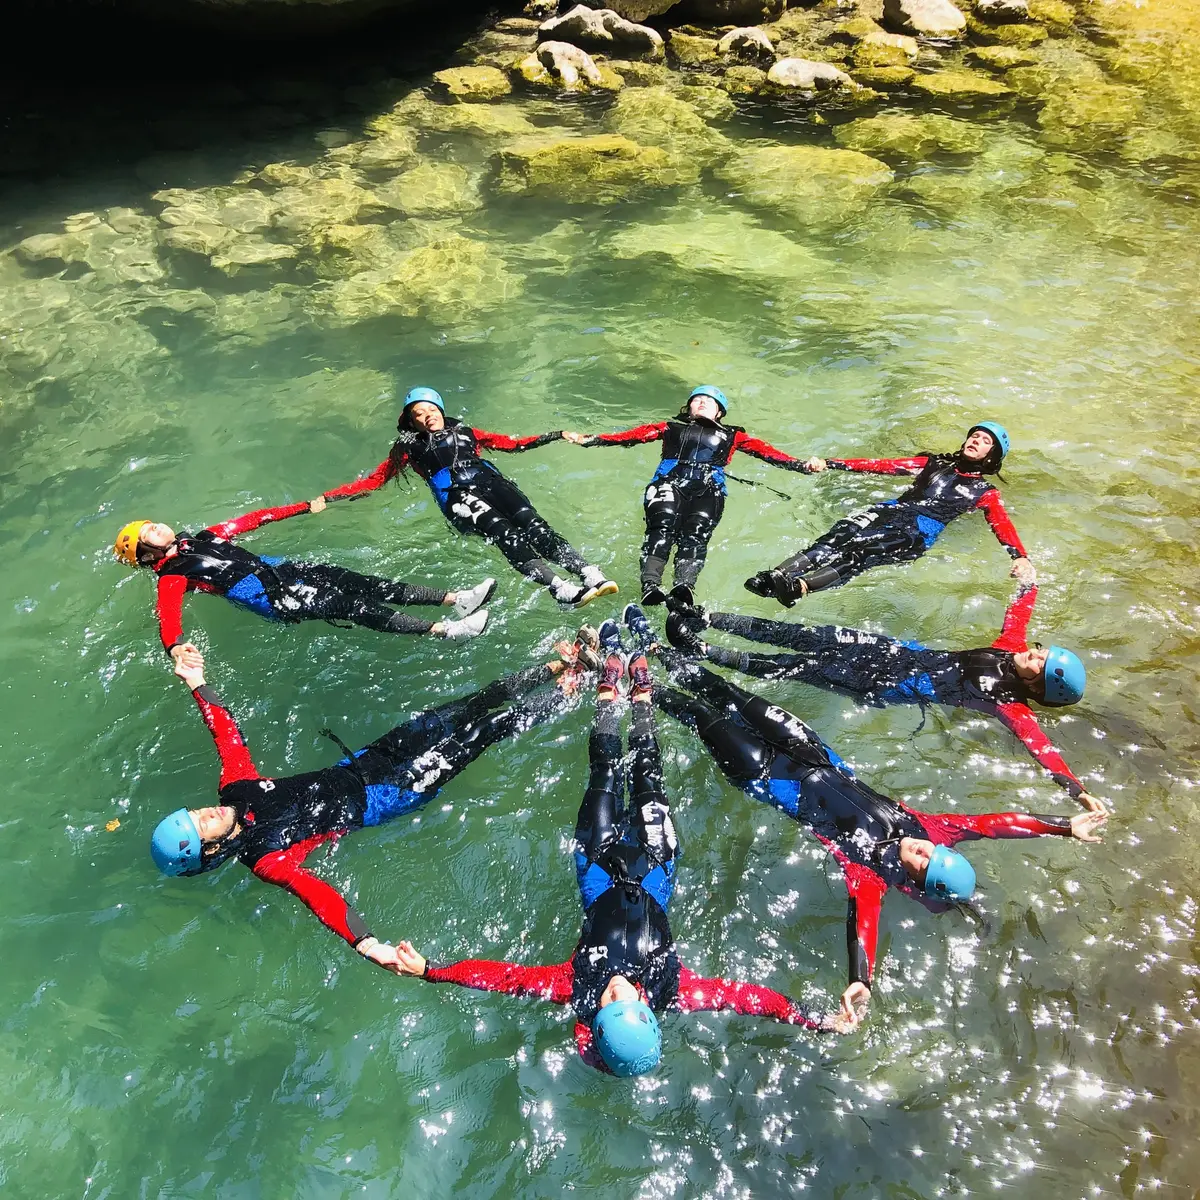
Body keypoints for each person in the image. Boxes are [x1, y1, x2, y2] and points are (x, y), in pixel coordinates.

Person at [388, 618, 849, 1076]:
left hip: (596, 867)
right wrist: (817, 1020)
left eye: (606, 1003)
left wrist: (431, 969)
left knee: (604, 771)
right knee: (648, 770)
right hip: (656, 865)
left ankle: (609, 688)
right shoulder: (675, 991)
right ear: (645, 1009)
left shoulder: (577, 990)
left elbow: (503, 979)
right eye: (619, 998)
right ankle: (643, 691)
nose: (612, 987)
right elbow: (749, 999)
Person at [631, 615, 1105, 1026]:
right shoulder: (932, 830)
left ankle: (640, 690)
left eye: (924, 865)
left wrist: (861, 981)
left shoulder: (871, 877)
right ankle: (654, 650)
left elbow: (863, 929)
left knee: (701, 715)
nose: (922, 852)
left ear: (917, 883)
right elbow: (997, 823)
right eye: (934, 854)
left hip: (766, 775)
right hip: (812, 750)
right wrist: (1063, 823)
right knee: (730, 694)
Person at [148, 633, 601, 965]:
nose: (203, 812)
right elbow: (318, 896)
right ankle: (568, 694)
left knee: (465, 708)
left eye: (192, 812)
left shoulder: (235, 789)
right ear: (210, 850)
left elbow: (225, 734)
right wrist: (367, 943)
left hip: (366, 763)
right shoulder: (267, 858)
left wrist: (196, 680)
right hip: (390, 795)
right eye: (200, 824)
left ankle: (561, 666)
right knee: (484, 731)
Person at [666, 584, 1102, 811]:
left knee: (795, 665)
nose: (1036, 653)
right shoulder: (1008, 650)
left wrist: (1076, 791)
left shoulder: (1008, 704)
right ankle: (703, 618)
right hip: (891, 652)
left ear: (1038, 687)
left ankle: (703, 652)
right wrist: (1028, 583)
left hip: (885, 683)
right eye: (1044, 650)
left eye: (1042, 663)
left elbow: (1039, 747)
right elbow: (1019, 616)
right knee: (801, 635)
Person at [320, 387, 617, 608]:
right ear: (411, 423)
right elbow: (375, 481)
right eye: (418, 414)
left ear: (440, 408)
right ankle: (561, 589)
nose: (427, 417)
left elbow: (512, 444)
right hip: (457, 495)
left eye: (431, 409)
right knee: (506, 534)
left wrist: (556, 434)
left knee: (535, 526)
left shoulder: (465, 430)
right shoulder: (407, 446)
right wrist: (327, 499)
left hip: (492, 482)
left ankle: (589, 573)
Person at [115, 500, 494, 659]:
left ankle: (456, 598)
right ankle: (447, 631)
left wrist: (301, 508)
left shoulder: (201, 536)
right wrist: (175, 648)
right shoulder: (172, 576)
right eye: (149, 533)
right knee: (354, 606)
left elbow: (252, 519)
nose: (158, 526)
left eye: (152, 523)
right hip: (271, 598)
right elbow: (168, 619)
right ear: (146, 555)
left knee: (360, 582)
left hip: (279, 568)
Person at [562, 386, 817, 607]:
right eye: (697, 399)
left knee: (696, 534)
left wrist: (803, 465)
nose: (703, 402)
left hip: (709, 488)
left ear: (720, 412)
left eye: (710, 400)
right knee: (661, 529)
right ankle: (650, 585)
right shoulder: (669, 428)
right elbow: (628, 437)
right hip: (668, 483)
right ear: (688, 408)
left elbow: (769, 454)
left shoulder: (734, 435)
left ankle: (684, 586)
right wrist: (590, 439)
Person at [744, 422, 1035, 605]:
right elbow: (880, 465)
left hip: (919, 530)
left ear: (992, 455)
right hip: (891, 511)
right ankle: (775, 576)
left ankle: (798, 588)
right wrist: (833, 463)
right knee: (836, 536)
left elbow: (1001, 523)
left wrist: (1019, 556)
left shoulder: (985, 492)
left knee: (861, 552)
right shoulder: (931, 464)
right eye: (974, 435)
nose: (975, 440)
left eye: (985, 440)